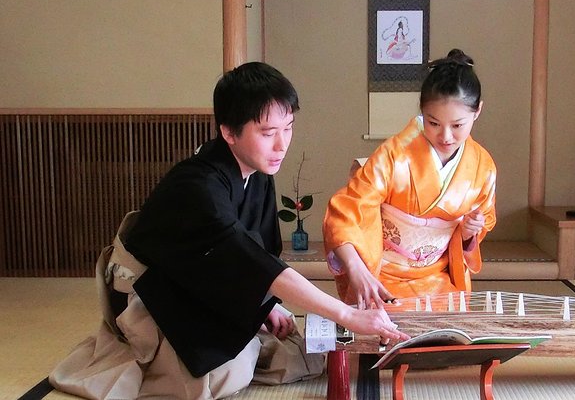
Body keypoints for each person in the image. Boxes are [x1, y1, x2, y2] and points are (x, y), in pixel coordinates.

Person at [49, 62, 408, 399]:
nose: (282, 144)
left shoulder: (257, 170)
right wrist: (346, 314)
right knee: (229, 371)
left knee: (304, 352)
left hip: (196, 286)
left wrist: (266, 305)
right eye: (268, 132)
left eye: (288, 128)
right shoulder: (198, 185)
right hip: (151, 293)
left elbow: (260, 254)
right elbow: (246, 258)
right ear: (228, 132)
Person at [323, 49, 496, 309]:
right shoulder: (394, 155)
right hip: (383, 273)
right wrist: (357, 270)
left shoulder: (482, 166)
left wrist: (470, 233)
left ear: (477, 111)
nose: (446, 136)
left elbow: (482, 222)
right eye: (433, 123)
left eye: (457, 125)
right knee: (387, 337)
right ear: (422, 111)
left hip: (438, 277)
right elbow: (347, 211)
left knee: (452, 339)